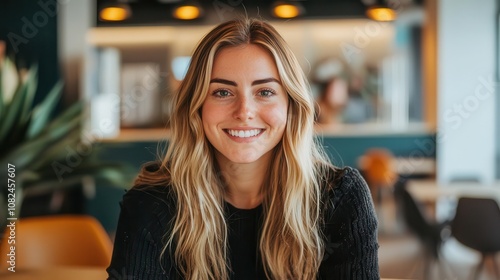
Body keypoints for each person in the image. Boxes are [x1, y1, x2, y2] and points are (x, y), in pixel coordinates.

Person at [107, 18, 379, 280]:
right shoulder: (153, 202)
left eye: (265, 92)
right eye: (223, 92)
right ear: (197, 107)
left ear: (291, 105)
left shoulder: (340, 199)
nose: (244, 112)